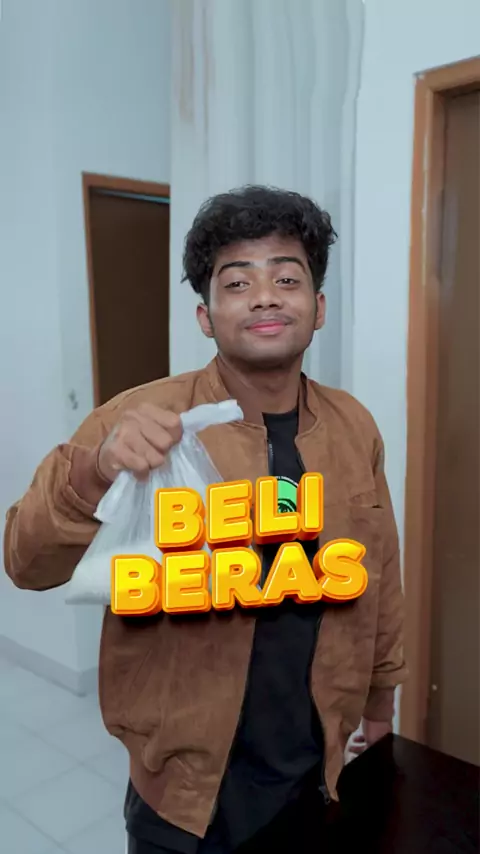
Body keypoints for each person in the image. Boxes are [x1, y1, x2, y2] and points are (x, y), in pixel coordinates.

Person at [4, 186, 407, 853]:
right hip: (182, 795)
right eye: (238, 283)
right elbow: (25, 561)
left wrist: (380, 702)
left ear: (318, 307)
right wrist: (97, 469)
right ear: (205, 316)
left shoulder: (353, 427)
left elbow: (380, 571)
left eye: (287, 278)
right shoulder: (139, 420)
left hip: (316, 773)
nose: (265, 297)